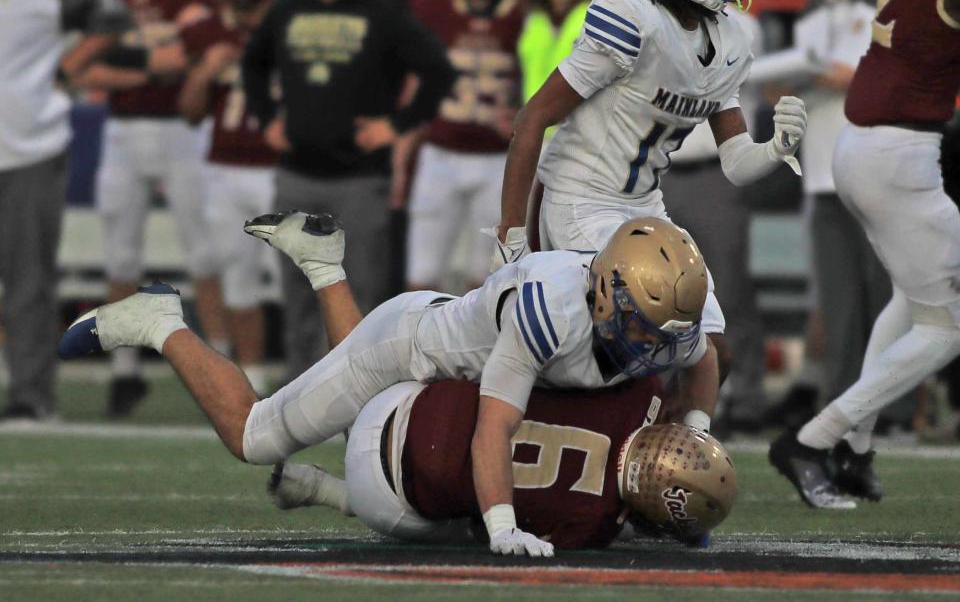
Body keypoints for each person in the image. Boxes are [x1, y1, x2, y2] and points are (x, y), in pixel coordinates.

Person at [59, 211, 711, 557]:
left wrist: (697, 429)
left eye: (659, 328)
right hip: (410, 344)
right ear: (605, 285)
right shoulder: (550, 309)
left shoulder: (667, 326)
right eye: (637, 320)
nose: (648, 342)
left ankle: (322, 263)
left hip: (451, 342)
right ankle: (162, 322)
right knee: (256, 437)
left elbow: (702, 359)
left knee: (358, 410)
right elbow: (494, 429)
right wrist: (504, 525)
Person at [491, 0, 809, 429]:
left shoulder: (728, 38)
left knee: (713, 353)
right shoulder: (631, 18)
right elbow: (534, 117)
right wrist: (510, 228)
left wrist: (776, 148)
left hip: (643, 204)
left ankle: (671, 456)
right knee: (609, 344)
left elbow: (736, 162)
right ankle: (570, 440)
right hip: (579, 197)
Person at [770, 0, 960, 509]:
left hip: (863, 147)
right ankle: (812, 441)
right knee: (947, 327)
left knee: (913, 296)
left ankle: (855, 449)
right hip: (899, 159)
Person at [241, 0, 457, 379]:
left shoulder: (384, 12)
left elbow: (438, 72)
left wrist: (397, 125)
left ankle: (358, 392)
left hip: (359, 178)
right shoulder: (289, 9)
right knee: (297, 291)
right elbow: (252, 62)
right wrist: (267, 117)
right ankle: (300, 389)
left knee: (361, 292)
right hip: (296, 173)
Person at [270, 382, 737, 549]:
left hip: (403, 398)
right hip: (382, 494)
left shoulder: (640, 391)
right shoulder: (594, 526)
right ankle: (328, 492)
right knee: (477, 529)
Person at [73, 0, 226, 417]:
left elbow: (192, 59)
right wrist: (147, 69)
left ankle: (221, 364)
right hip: (123, 129)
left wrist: (128, 65)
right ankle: (124, 371)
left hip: (184, 129)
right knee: (120, 257)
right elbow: (84, 70)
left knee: (204, 253)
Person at [0, 0, 130, 421]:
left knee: (28, 281)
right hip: (25, 143)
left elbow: (112, 17)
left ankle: (30, 398)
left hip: (28, 147)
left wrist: (68, 66)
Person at [659, 5, 765, 433]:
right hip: (660, 171)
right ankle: (665, 398)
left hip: (716, 168)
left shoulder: (740, 24)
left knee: (729, 287)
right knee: (661, 291)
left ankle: (748, 398)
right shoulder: (657, 16)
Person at [177, 0, 279, 394]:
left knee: (298, 279)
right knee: (237, 276)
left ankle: (316, 375)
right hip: (224, 168)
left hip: (279, 168)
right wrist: (204, 72)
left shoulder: (292, 24)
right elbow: (188, 112)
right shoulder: (210, 31)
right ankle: (252, 380)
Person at [402, 0, 525, 293]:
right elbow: (409, 83)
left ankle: (475, 342)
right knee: (422, 271)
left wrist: (520, 114)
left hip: (499, 158)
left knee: (487, 276)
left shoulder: (524, 10)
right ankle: (418, 341)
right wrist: (401, 159)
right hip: (440, 152)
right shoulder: (429, 5)